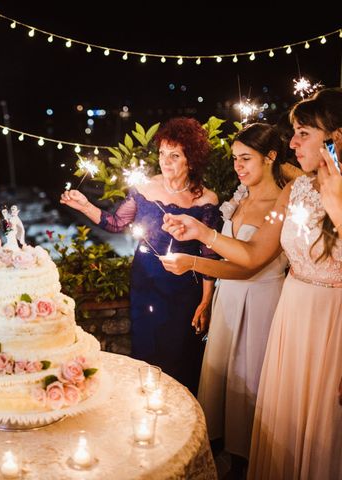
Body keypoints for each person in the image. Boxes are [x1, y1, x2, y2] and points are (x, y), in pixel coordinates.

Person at [161, 88, 342, 479]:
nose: (292, 142)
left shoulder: (317, 188)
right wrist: (200, 234)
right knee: (285, 426)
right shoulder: (296, 190)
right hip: (292, 316)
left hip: (333, 322)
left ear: (336, 137)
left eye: (303, 133)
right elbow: (256, 253)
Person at [160, 123, 289, 471]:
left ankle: (258, 464)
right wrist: (208, 297)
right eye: (235, 159)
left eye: (247, 158)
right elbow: (228, 259)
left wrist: (193, 259)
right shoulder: (241, 197)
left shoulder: (281, 204)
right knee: (226, 391)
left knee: (253, 393)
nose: (239, 167)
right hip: (228, 298)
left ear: (271, 157)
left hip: (262, 304)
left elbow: (250, 265)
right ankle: (231, 462)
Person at [61, 117, 221, 393]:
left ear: (191, 160)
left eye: (174, 156)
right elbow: (115, 222)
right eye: (162, 154)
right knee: (146, 354)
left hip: (185, 292)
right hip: (146, 285)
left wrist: (206, 301)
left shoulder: (206, 200)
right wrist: (85, 205)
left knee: (182, 358)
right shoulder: (146, 188)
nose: (165, 161)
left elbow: (209, 256)